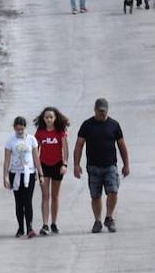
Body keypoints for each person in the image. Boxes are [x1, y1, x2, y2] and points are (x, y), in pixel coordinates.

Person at [72, 98, 130, 233]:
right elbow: (79, 145)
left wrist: (126, 165)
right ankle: (97, 221)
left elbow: (122, 145)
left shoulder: (114, 125)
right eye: (99, 111)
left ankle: (109, 217)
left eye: (104, 111)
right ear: (95, 110)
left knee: (113, 191)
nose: (102, 114)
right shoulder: (87, 125)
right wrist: (76, 165)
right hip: (93, 167)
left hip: (110, 165)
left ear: (107, 110)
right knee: (95, 195)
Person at [33, 106, 70, 235]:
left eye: (51, 117)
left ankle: (54, 223)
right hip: (43, 166)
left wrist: (64, 164)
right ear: (43, 119)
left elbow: (65, 149)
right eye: (47, 117)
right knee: (45, 195)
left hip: (57, 165)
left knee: (54, 196)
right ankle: (45, 224)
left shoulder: (60, 131)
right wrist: (36, 167)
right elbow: (35, 150)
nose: (49, 119)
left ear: (55, 118)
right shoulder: (40, 132)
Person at [3, 115, 41, 238]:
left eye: (22, 129)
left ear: (25, 128)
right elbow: (7, 160)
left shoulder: (31, 139)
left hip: (29, 173)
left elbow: (36, 158)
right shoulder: (10, 141)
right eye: (17, 129)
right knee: (19, 202)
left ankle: (29, 227)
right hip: (15, 173)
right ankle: (20, 228)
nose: (20, 131)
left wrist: (40, 173)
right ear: (14, 128)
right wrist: (6, 176)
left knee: (28, 201)